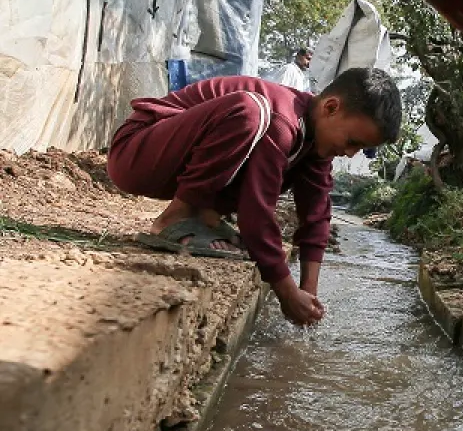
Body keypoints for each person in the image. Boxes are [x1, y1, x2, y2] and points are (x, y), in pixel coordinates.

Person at [107, 68, 401, 325]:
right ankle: (175, 218)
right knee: (250, 111)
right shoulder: (282, 118)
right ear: (331, 107)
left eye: (359, 149)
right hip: (136, 151)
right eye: (352, 142)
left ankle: (206, 219)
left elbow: (316, 216)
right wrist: (285, 292)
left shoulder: (315, 142)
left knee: (291, 164)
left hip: (167, 166)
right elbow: (256, 210)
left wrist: (308, 294)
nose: (349, 153)